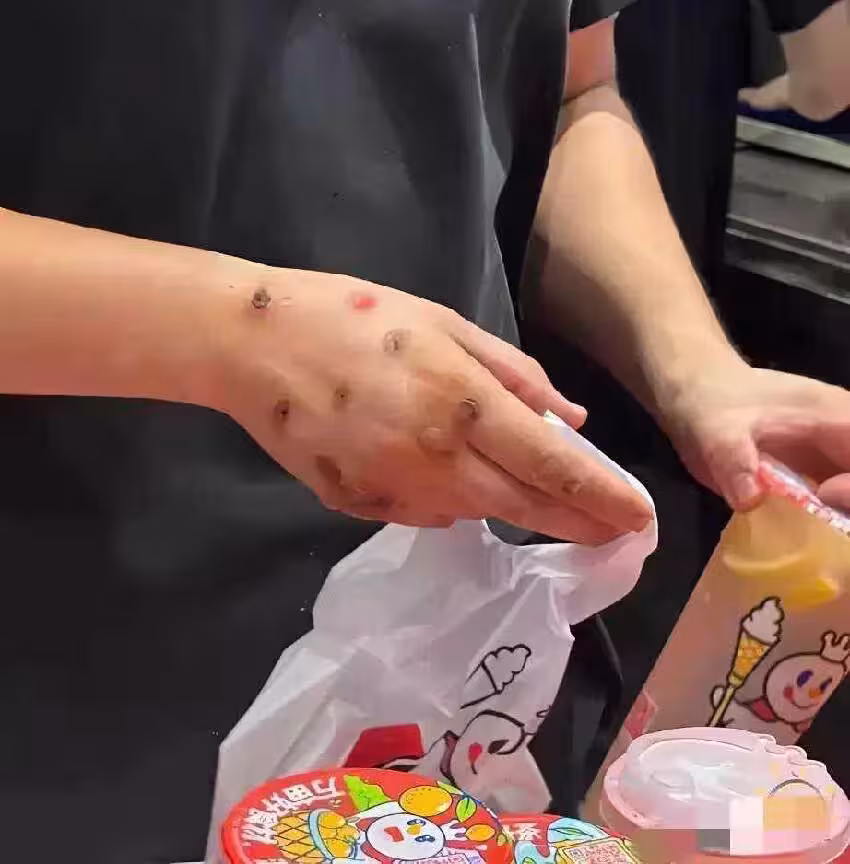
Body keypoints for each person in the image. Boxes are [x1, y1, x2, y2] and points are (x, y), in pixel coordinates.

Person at [1, 2, 848, 861]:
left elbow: (570, 97)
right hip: (92, 692)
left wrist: (697, 369)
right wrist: (240, 334)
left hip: (481, 684)